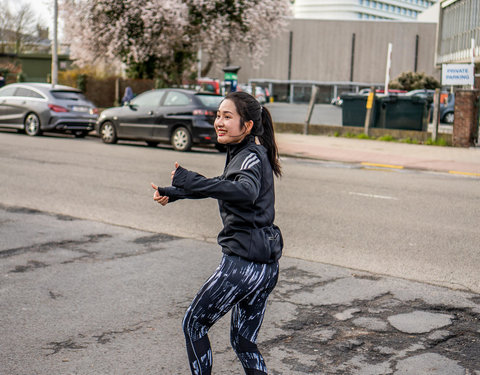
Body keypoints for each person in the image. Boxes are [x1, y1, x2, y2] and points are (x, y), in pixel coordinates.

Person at [151, 91, 283, 375]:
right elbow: (225, 184)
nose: (218, 122)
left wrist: (193, 180)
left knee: (194, 324)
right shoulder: (247, 153)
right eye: (218, 115)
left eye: (227, 116)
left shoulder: (249, 157)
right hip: (266, 266)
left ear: (246, 126)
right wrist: (177, 193)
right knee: (243, 340)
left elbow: (243, 191)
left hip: (242, 266)